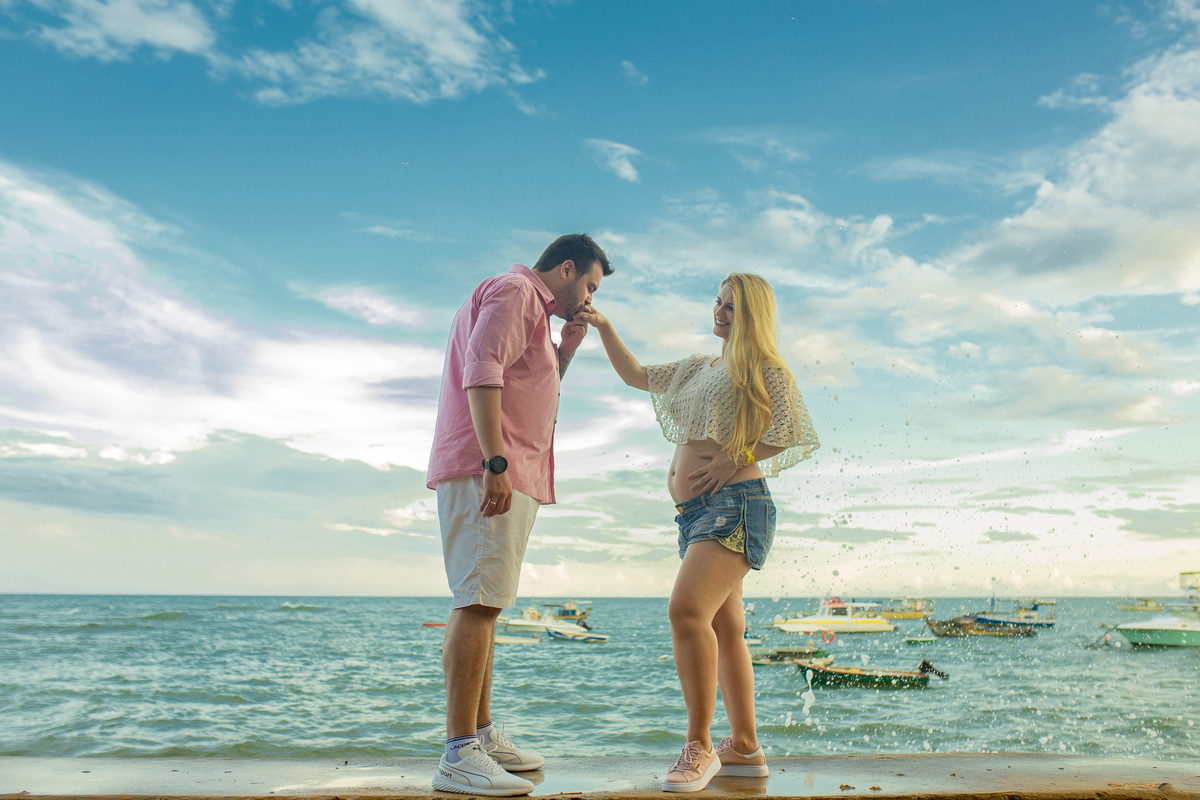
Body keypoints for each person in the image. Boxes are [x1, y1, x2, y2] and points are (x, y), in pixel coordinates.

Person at [578, 273, 818, 793]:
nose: (719, 312)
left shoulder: (764, 369)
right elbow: (638, 375)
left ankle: (700, 747)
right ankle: (746, 749)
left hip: (735, 506)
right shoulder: (697, 366)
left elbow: (792, 432)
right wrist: (603, 326)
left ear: (752, 315)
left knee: (685, 611)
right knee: (727, 630)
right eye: (717, 302)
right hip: (695, 514)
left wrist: (738, 456)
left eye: (731, 307)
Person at [426, 234, 612, 796]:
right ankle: (459, 753)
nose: (587, 298)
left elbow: (529, 383)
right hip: (491, 466)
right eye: (589, 285)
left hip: (509, 469)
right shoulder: (516, 293)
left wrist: (569, 345)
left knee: (489, 603)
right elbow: (481, 371)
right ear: (565, 268)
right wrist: (495, 461)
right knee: (477, 601)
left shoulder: (534, 310)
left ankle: (478, 736)